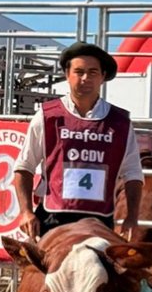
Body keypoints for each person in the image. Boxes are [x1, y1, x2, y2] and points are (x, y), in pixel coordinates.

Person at [13, 41, 143, 241]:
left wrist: (132, 218)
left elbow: (133, 173)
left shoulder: (120, 122)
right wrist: (26, 212)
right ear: (67, 75)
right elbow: (24, 167)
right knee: (34, 269)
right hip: (53, 219)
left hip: (100, 222)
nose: (85, 78)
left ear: (103, 77)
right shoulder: (47, 116)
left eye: (92, 72)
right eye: (79, 71)